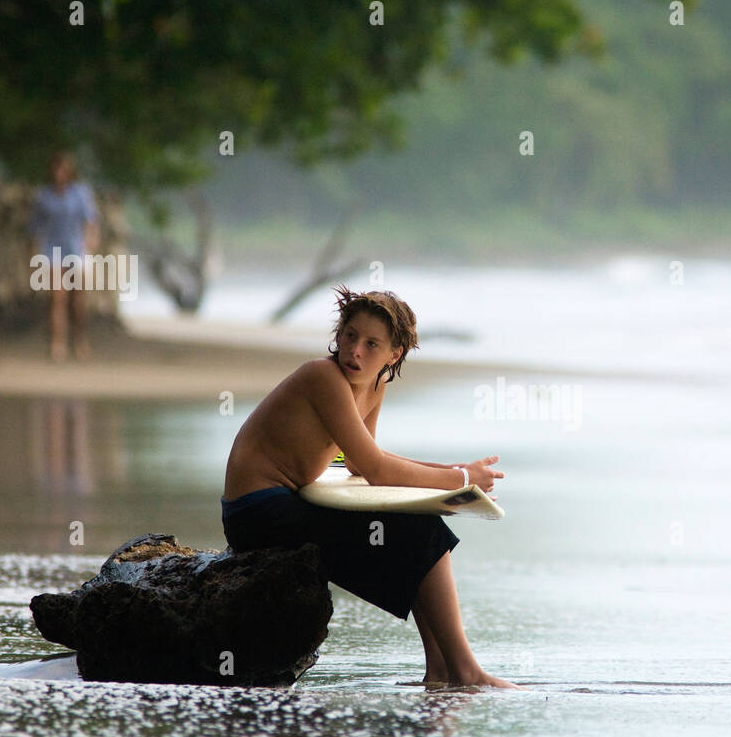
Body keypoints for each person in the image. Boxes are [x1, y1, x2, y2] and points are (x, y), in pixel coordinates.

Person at [221, 285, 520, 690]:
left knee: (418, 525)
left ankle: (440, 671)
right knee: (419, 532)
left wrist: (453, 471)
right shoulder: (322, 376)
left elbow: (360, 464)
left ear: (393, 355)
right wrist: (462, 479)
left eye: (371, 343)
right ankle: (465, 670)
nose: (355, 351)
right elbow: (377, 470)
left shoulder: (373, 387)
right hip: (257, 512)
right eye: (349, 336)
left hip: (290, 502)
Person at [30, 150, 99, 362]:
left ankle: (79, 341)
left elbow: (91, 220)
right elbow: (35, 227)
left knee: (77, 302)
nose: (59, 173)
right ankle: (57, 344)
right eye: (56, 169)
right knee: (56, 299)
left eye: (62, 169)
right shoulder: (44, 196)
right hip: (53, 250)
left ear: (69, 172)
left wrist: (91, 240)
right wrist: (32, 254)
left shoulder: (80, 193)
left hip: (76, 249)